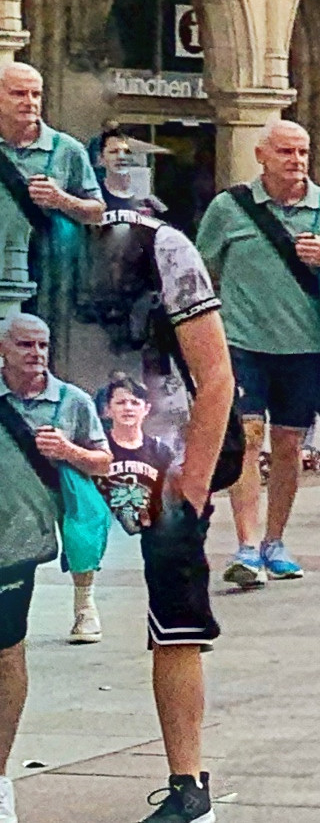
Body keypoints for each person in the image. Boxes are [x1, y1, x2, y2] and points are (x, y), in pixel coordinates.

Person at [88, 133, 238, 823]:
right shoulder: (36, 244)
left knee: (173, 620)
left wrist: (194, 484)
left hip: (158, 457)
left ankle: (188, 785)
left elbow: (215, 376)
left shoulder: (164, 247)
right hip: (57, 440)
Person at [191, 117, 320, 588]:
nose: (297, 162)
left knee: (288, 443)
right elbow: (201, 270)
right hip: (242, 343)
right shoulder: (229, 208)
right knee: (249, 438)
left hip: (305, 347)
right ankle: (247, 546)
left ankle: (276, 541)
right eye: (287, 152)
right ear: (261, 155)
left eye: (303, 152)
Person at [0, 300, 115, 802]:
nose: (37, 354)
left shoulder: (70, 401)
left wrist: (68, 452)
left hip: (20, 543)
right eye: (24, 344)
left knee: (7, 653)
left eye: (43, 345)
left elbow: (104, 461)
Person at [0, 62, 107, 331]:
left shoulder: (66, 149)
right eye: (18, 94)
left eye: (36, 94)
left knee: (30, 351)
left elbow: (97, 211)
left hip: (43, 278)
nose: (30, 102)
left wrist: (61, 199)